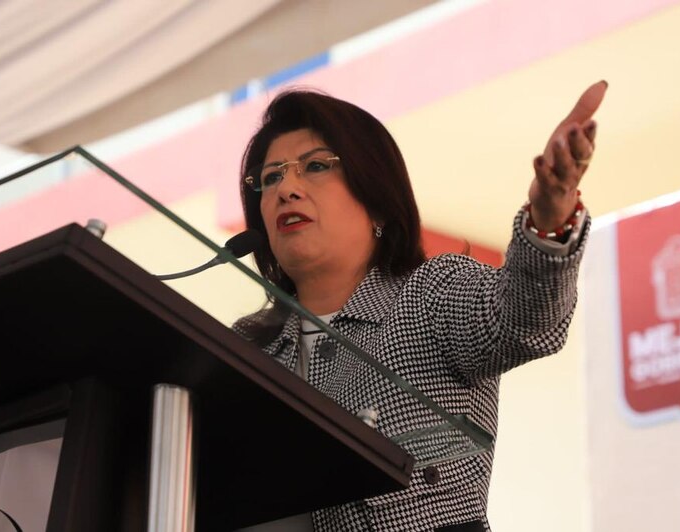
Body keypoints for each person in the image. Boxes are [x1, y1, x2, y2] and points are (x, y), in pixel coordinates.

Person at [233, 81, 607, 532]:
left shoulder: (430, 292)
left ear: (378, 204)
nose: (286, 189)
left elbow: (522, 321)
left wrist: (550, 219)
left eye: (314, 166)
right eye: (271, 176)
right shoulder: (246, 349)